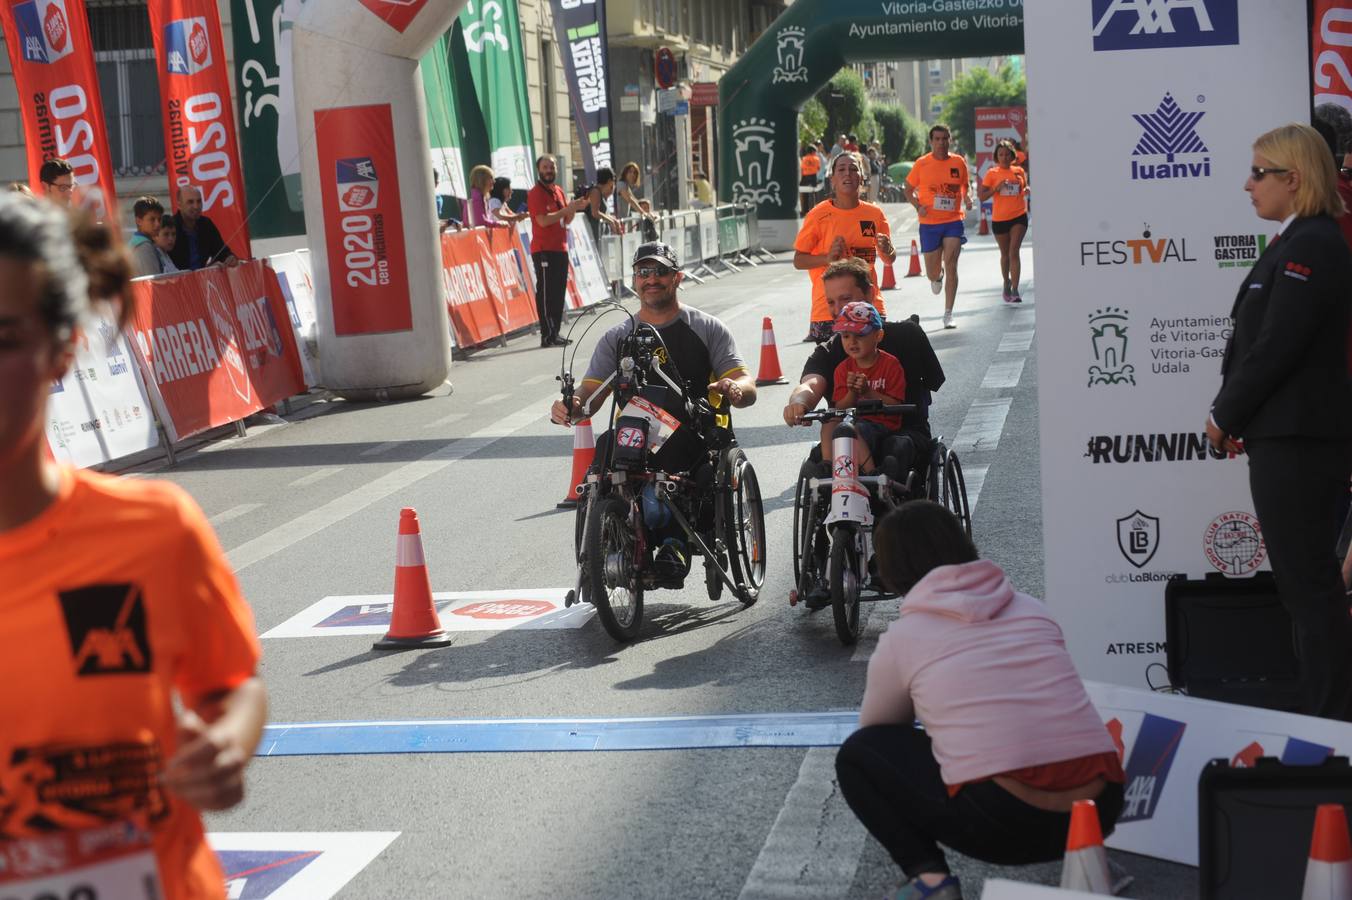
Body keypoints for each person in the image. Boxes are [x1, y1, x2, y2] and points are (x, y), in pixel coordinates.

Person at [0, 194, 268, 899]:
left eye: (3, 338)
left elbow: (231, 686)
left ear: (63, 350)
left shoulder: (153, 531)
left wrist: (225, 747)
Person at [837, 501, 1124, 900]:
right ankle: (1092, 862)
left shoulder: (905, 638)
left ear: (891, 569)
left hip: (1005, 823)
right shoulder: (1032, 609)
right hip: (1104, 805)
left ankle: (931, 882)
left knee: (857, 756)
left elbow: (880, 733)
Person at [1206, 122, 1352, 721]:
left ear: (1294, 180)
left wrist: (1224, 413)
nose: (1248, 185)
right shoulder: (1299, 241)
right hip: (1287, 436)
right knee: (1305, 587)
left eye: (1259, 173)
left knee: (1309, 588)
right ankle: (1324, 715)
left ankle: (1331, 723)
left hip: (1299, 440)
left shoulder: (1313, 244)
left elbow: (1277, 347)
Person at [549, 241, 756, 577]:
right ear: (634, 280)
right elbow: (589, 396)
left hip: (693, 434)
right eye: (644, 272)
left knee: (680, 456)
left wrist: (735, 389)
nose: (652, 279)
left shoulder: (707, 328)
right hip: (634, 435)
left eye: (660, 271)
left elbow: (746, 383)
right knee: (604, 448)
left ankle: (675, 541)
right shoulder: (617, 337)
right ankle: (612, 536)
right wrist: (570, 408)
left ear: (677, 277)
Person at [785, 257, 944, 479]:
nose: (838, 309)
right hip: (848, 431)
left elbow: (931, 384)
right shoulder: (830, 351)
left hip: (903, 431)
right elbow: (811, 384)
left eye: (846, 299)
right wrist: (798, 403)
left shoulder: (907, 336)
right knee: (819, 460)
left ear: (870, 294)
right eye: (831, 302)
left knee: (897, 449)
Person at [794, 152, 897, 342]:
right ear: (832, 179)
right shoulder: (818, 215)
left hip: (869, 306)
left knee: (872, 369)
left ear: (861, 177)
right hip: (828, 312)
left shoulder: (874, 214)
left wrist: (889, 250)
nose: (847, 174)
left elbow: (888, 259)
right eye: (841, 169)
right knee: (835, 371)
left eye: (853, 169)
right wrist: (827, 258)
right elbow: (798, 260)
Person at [824, 301, 907, 477]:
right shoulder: (842, 369)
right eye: (846, 336)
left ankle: (872, 473)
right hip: (851, 421)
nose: (852, 342)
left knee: (853, 429)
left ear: (878, 336)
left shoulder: (891, 364)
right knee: (830, 423)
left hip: (881, 425)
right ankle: (826, 467)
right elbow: (840, 407)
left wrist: (868, 392)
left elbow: (895, 405)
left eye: (859, 335)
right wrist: (853, 393)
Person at [905, 125, 971, 329]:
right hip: (929, 224)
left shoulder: (958, 162)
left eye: (945, 138)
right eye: (937, 139)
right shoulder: (922, 164)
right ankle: (937, 276)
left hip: (953, 220)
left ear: (950, 140)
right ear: (931, 141)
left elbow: (964, 185)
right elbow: (907, 189)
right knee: (932, 272)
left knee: (951, 263)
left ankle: (948, 313)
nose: (941, 142)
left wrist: (967, 197)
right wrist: (918, 206)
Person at [528, 154, 589, 348]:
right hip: (543, 249)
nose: (549, 171)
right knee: (546, 293)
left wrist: (575, 208)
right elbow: (543, 220)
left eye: (552, 167)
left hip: (560, 247)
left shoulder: (559, 191)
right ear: (539, 170)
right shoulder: (535, 193)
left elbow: (565, 220)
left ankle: (555, 333)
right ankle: (547, 335)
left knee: (558, 292)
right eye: (546, 167)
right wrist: (567, 210)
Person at [978, 140, 1030, 303]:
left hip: (1019, 216)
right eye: (1001, 154)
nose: (1004, 157)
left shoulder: (1019, 171)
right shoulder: (992, 173)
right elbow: (982, 196)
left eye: (1007, 154)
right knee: (1005, 255)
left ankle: (1015, 289)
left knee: (1014, 251)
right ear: (996, 157)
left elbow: (1024, 189)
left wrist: (1026, 190)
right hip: (1000, 218)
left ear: (1013, 156)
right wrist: (996, 188)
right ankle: (1006, 282)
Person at [168, 184, 238, 271]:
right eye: (190, 202)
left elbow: (222, 252)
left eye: (199, 201)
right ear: (179, 205)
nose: (196, 206)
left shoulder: (206, 224)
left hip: (203, 280)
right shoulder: (170, 227)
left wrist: (229, 257)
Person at [128, 196, 172, 278]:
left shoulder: (138, 242)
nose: (158, 224)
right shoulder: (143, 246)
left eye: (159, 219)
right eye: (152, 219)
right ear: (138, 221)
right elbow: (154, 283)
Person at [584, 167, 624, 246]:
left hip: (599, 234)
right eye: (613, 183)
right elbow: (595, 212)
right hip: (593, 234)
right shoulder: (595, 191)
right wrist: (611, 221)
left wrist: (613, 220)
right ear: (609, 181)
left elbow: (602, 213)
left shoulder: (601, 194)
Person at [800, 144, 823, 216]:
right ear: (813, 151)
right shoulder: (816, 158)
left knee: (805, 194)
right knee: (814, 193)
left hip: (804, 178)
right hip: (813, 177)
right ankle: (814, 210)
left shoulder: (804, 158)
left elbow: (802, 168)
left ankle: (805, 210)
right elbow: (818, 168)